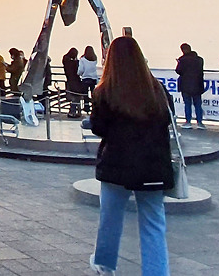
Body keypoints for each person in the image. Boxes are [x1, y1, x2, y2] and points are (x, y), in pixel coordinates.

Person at [89, 36, 171, 276]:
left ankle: (105, 265)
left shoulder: (105, 91)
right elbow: (166, 121)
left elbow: (98, 128)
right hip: (153, 167)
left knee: (110, 218)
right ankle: (157, 272)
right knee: (153, 223)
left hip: (117, 165)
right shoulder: (157, 89)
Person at [175, 43, 205, 128]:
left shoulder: (182, 60)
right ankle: (200, 122)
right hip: (197, 85)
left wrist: (178, 62)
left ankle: (188, 122)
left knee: (187, 104)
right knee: (198, 104)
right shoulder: (199, 59)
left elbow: (178, 71)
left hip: (185, 85)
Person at [61, 47, 85, 118]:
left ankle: (75, 111)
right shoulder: (74, 63)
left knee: (75, 97)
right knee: (76, 97)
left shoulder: (66, 62)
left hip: (69, 81)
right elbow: (78, 69)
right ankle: (73, 111)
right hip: (76, 82)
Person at [78, 46, 99, 114]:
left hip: (85, 78)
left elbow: (81, 70)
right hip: (93, 78)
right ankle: (94, 107)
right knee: (93, 94)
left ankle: (86, 107)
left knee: (85, 94)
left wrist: (79, 74)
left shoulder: (83, 60)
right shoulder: (94, 59)